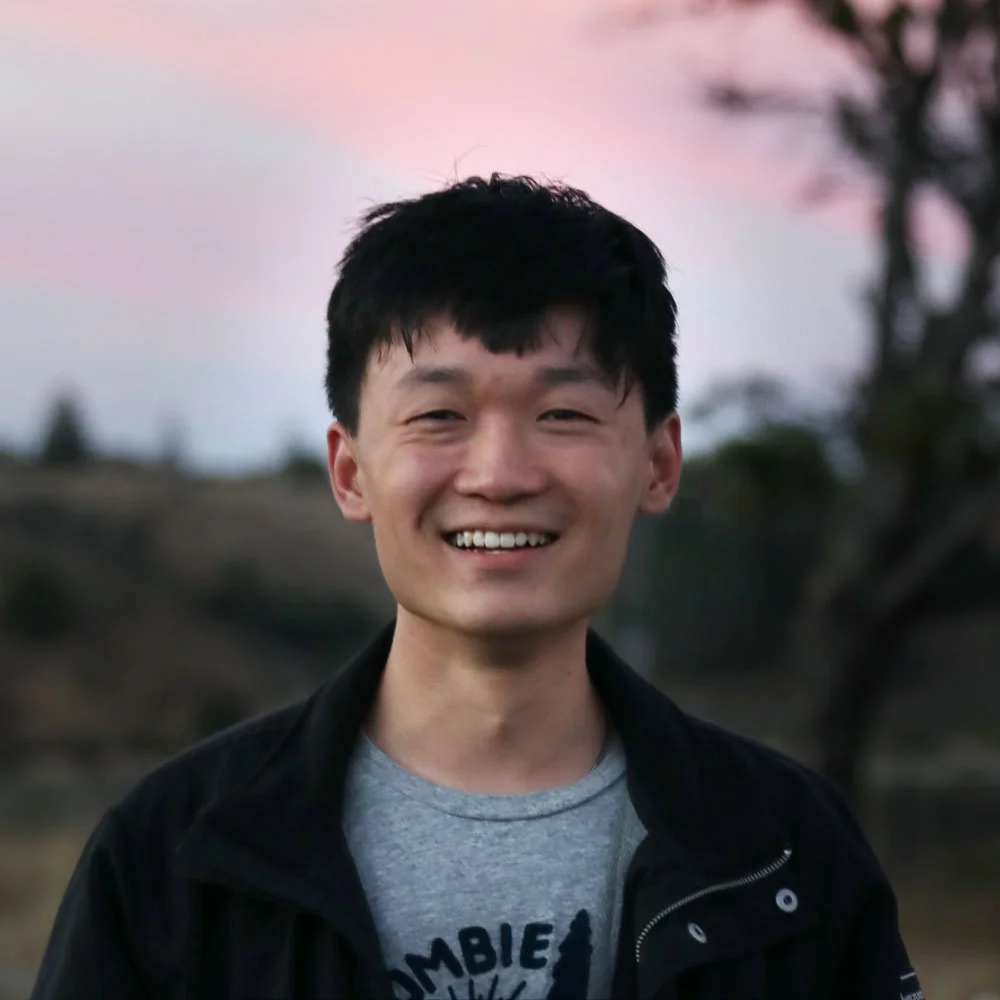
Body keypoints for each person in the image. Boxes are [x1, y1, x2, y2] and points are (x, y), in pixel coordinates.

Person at [31, 175, 921, 1000]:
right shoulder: (170, 861)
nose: (499, 474)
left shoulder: (789, 854)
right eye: (439, 416)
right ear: (350, 471)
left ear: (658, 463)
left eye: (562, 413)